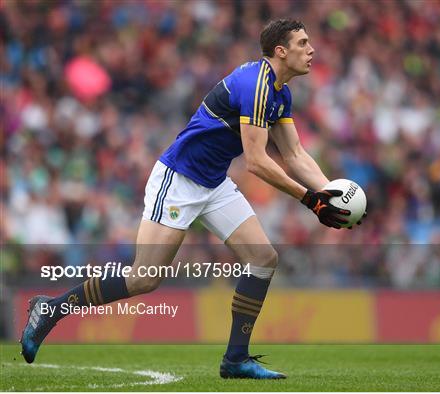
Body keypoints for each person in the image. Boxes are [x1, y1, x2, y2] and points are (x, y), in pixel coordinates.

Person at [20, 19, 363, 379]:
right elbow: (258, 161)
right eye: (303, 43)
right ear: (281, 51)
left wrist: (331, 194)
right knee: (144, 278)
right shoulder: (256, 84)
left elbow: (294, 155)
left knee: (263, 258)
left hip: (213, 182)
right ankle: (52, 308)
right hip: (179, 179)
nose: (312, 50)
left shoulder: (280, 91)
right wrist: (310, 200)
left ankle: (235, 360)